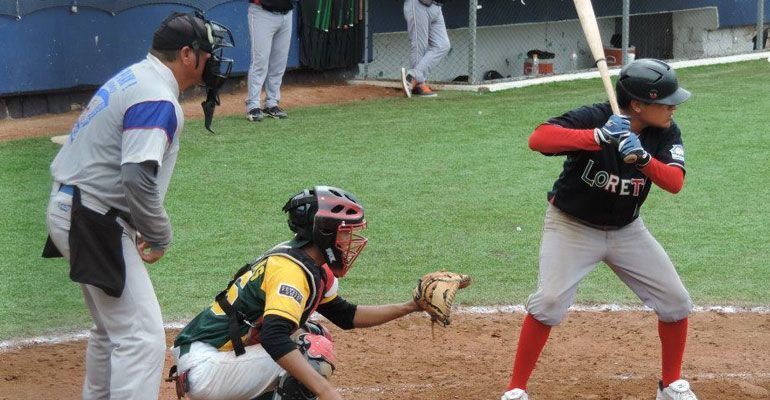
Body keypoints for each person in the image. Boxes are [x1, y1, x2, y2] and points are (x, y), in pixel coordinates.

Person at [42, 12, 233, 399]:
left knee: (111, 331)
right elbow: (136, 177)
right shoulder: (156, 96)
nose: (213, 60)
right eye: (207, 53)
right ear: (185, 54)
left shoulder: (136, 77)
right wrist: (159, 232)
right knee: (142, 338)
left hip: (79, 208)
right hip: (92, 218)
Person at [501, 59, 697, 400]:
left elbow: (675, 182)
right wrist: (596, 136)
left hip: (627, 231)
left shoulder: (666, 132)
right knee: (547, 303)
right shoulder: (595, 116)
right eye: (665, 102)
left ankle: (670, 387)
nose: (673, 107)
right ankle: (516, 390)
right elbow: (539, 139)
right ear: (638, 104)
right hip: (572, 227)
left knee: (676, 301)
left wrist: (643, 159)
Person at [170, 186, 422, 400]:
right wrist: (325, 391)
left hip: (217, 357)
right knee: (311, 350)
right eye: (345, 233)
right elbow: (273, 337)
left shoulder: (308, 263)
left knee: (312, 333)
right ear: (325, 232)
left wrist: (410, 306)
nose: (349, 242)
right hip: (206, 365)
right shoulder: (291, 271)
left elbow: (346, 316)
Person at [245, 0, 294, 121]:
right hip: (262, 13)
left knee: (279, 63)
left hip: (286, 14)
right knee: (260, 61)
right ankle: (253, 105)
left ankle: (271, 103)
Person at [400, 0, 451, 98]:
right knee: (419, 45)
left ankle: (412, 76)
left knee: (443, 45)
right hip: (418, 4)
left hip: (437, 6)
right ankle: (418, 85)